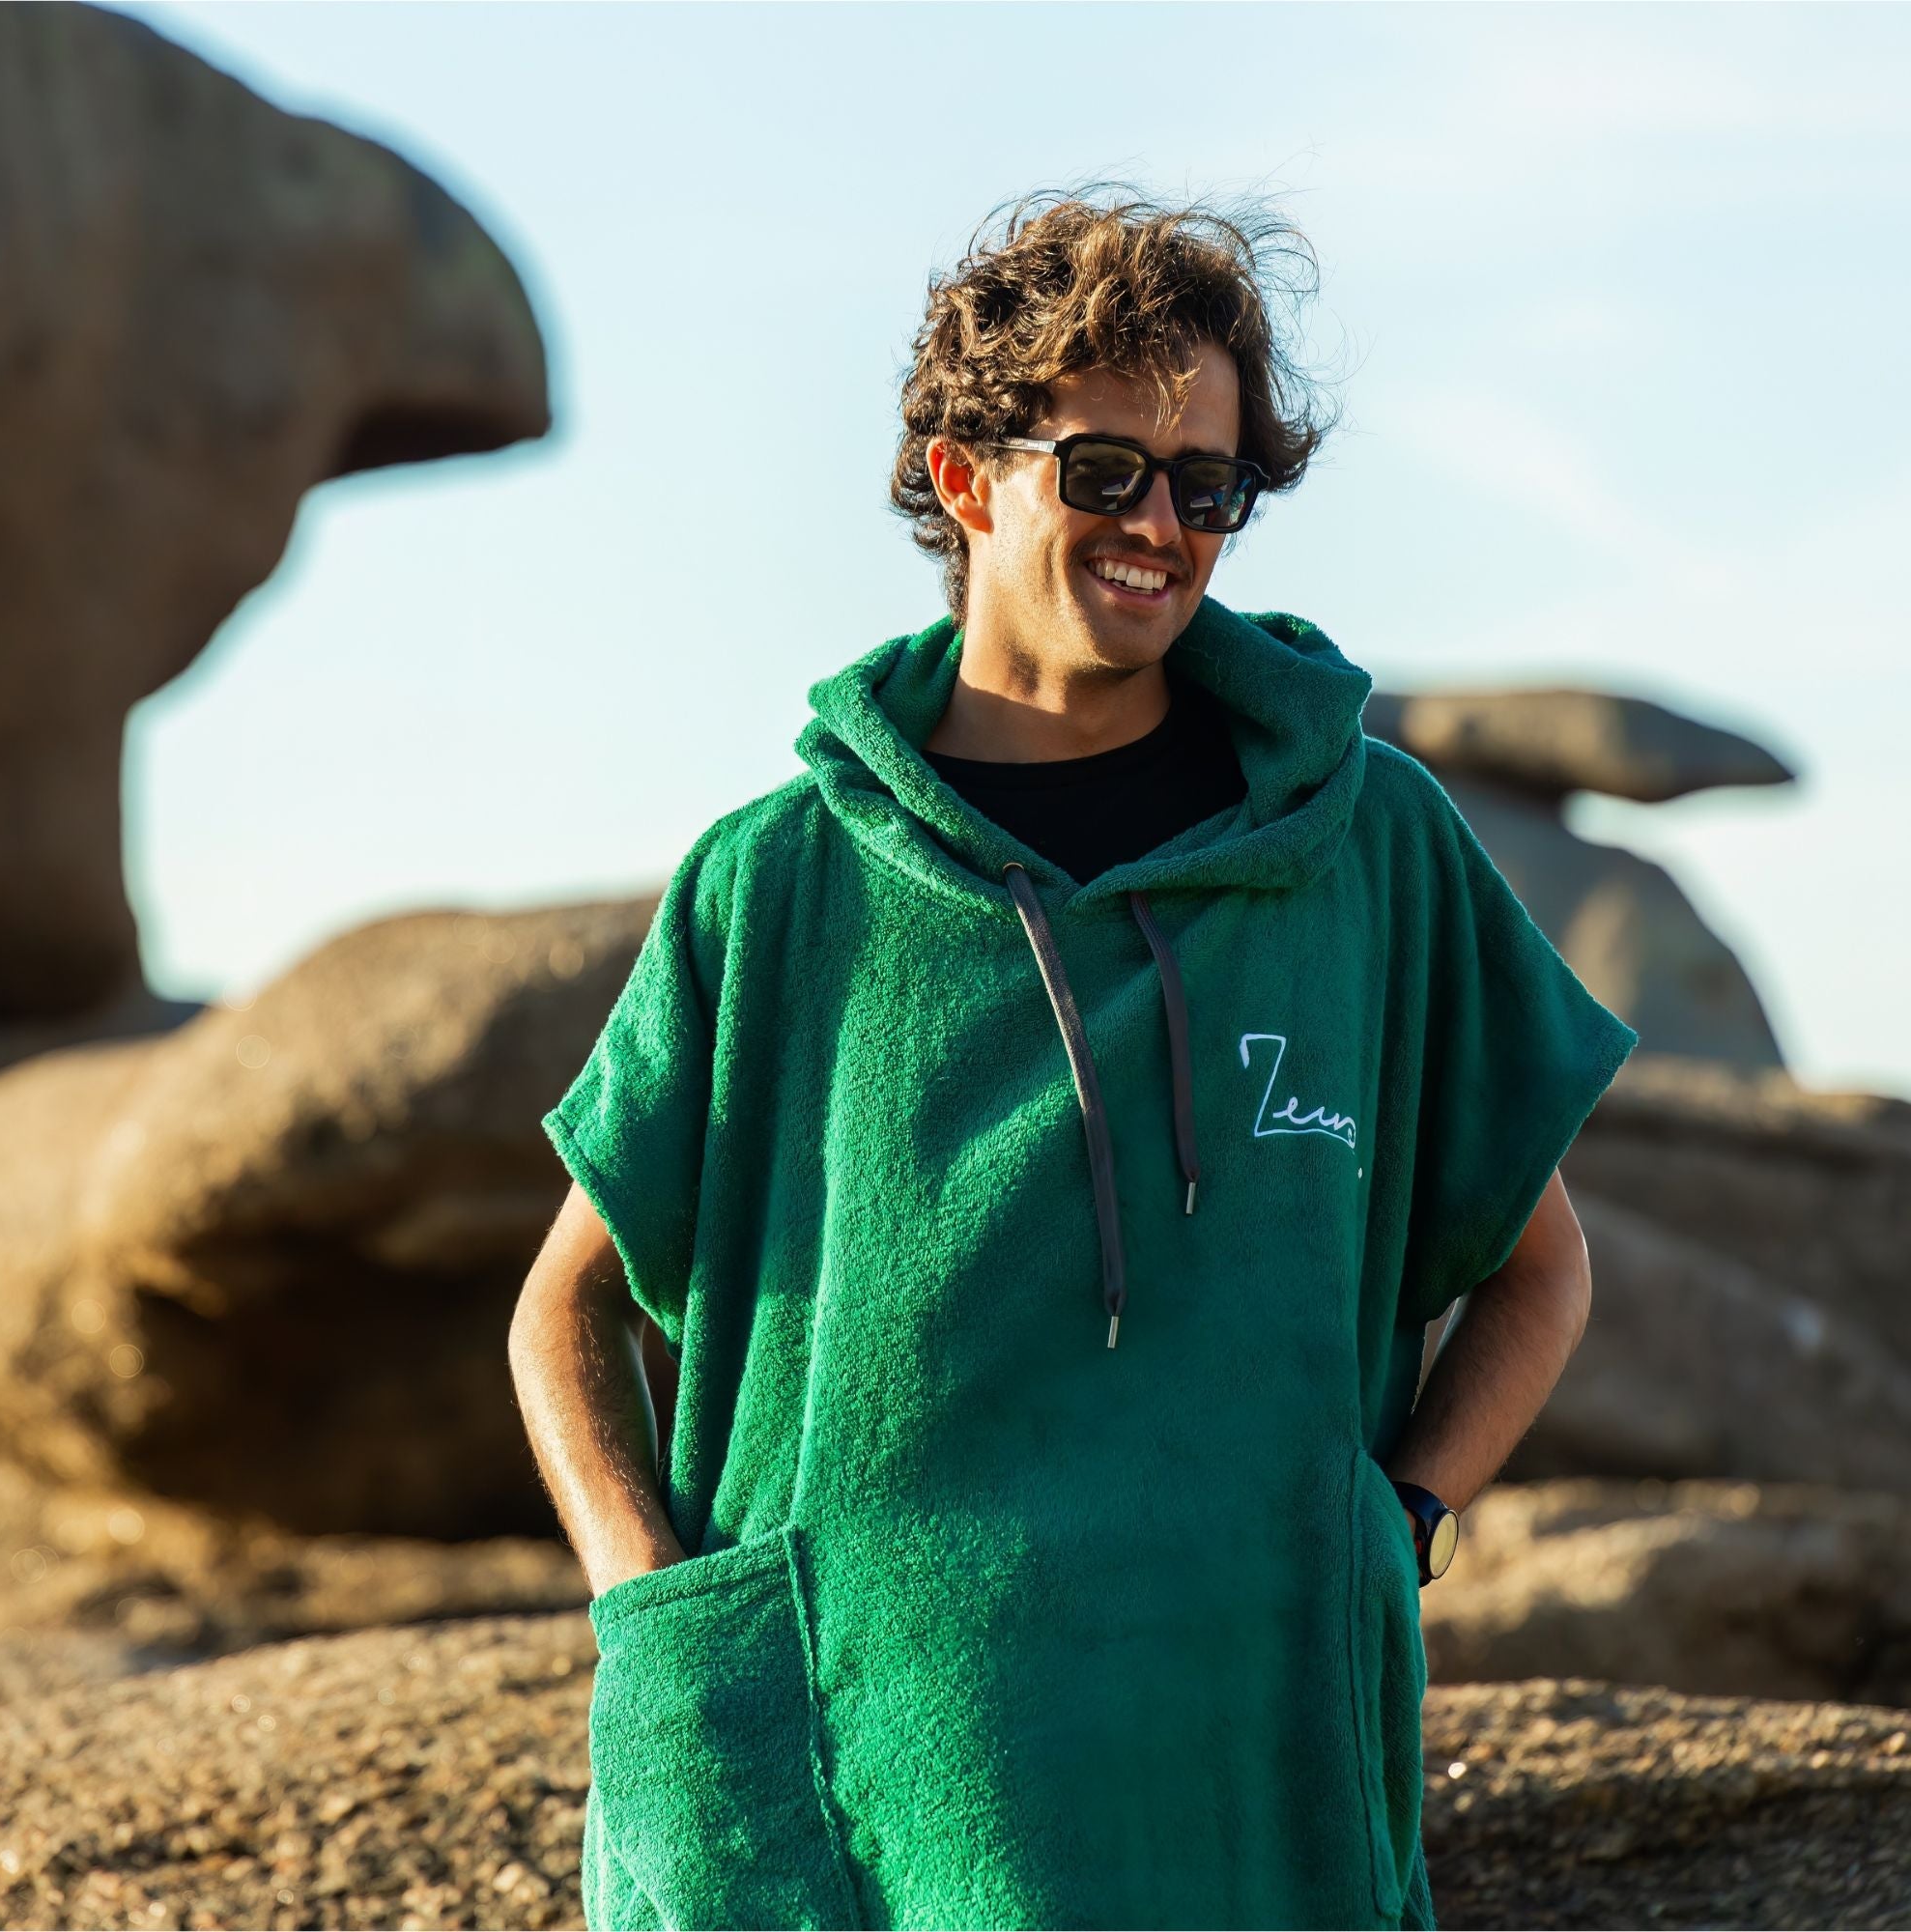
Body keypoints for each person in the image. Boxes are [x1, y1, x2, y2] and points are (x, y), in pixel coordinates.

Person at [507, 186, 1638, 1932]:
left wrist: (1386, 1536)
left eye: (1209, 488)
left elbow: (1543, 1267)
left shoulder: (1368, 849)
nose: (1163, 528)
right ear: (969, 478)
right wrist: (650, 1605)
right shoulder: (778, 880)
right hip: (860, 1787)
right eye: (1107, 471)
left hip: (1247, 1775)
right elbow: (563, 1307)